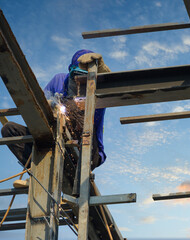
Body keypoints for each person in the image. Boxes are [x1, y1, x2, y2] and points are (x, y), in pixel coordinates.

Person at [1, 49, 110, 188]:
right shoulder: (59, 79)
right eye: (77, 77)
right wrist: (48, 106)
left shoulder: (96, 89)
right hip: (55, 143)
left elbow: (112, 89)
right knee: (9, 130)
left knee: (71, 105)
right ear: (71, 71)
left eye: (85, 79)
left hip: (88, 151)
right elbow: (38, 107)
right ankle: (40, 175)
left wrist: (103, 72)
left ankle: (65, 175)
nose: (80, 84)